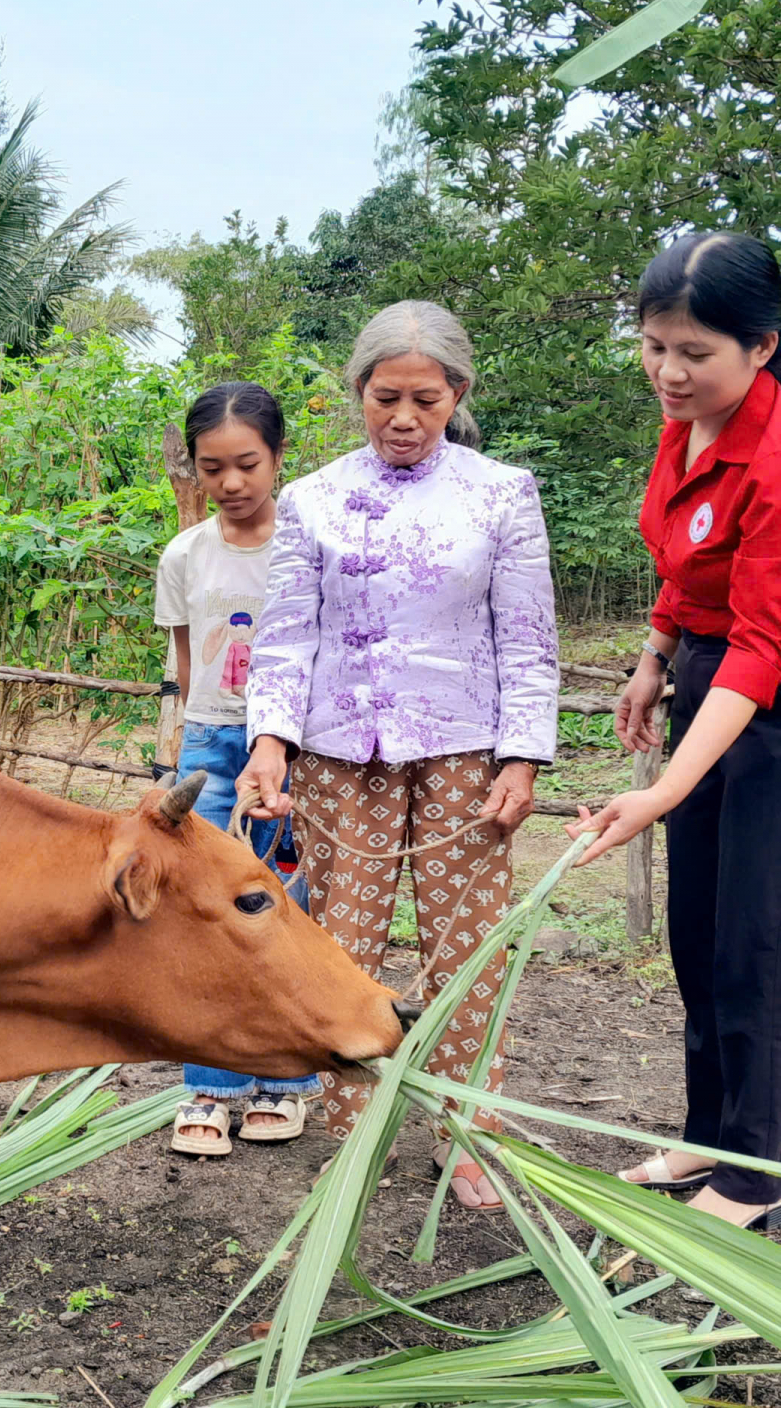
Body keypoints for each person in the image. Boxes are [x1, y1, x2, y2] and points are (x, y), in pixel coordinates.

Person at [568, 231, 781, 1233]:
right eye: (655, 345)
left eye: (695, 352)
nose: (668, 371)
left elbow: (762, 646)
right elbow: (690, 561)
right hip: (709, 670)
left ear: (763, 346)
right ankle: (711, 1129)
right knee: (696, 931)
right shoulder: (682, 425)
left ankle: (754, 1174)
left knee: (759, 940)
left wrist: (659, 788)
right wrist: (654, 654)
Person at [235, 301, 558, 1210]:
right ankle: (354, 1130)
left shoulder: (502, 493)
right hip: (342, 755)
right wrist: (271, 744)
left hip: (464, 750)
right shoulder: (312, 500)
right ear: (358, 396)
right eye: (385, 400)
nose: (404, 419)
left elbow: (527, 638)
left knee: (466, 946)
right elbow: (288, 637)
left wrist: (522, 757)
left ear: (458, 394)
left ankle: (470, 1134)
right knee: (343, 944)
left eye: (425, 399)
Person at [153, 381, 317, 1157]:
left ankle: (286, 1081)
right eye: (212, 468)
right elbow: (188, 669)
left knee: (287, 903)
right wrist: (189, 751)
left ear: (279, 458)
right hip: (213, 741)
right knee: (204, 907)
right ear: (194, 469)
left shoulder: (309, 542)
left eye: (247, 463)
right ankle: (210, 1087)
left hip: (295, 744)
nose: (231, 483)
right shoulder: (185, 555)